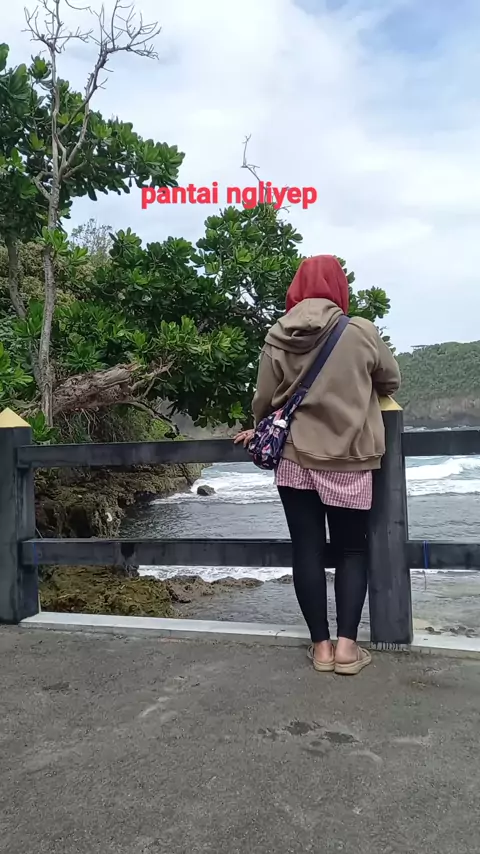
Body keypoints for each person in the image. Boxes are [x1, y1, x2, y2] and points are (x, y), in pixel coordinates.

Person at [234, 255, 400, 675]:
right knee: (351, 549)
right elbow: (391, 380)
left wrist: (260, 427)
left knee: (306, 549)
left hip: (295, 456)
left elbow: (264, 398)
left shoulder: (278, 334)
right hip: (350, 458)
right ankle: (347, 649)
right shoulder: (360, 331)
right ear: (339, 288)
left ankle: (321, 649)